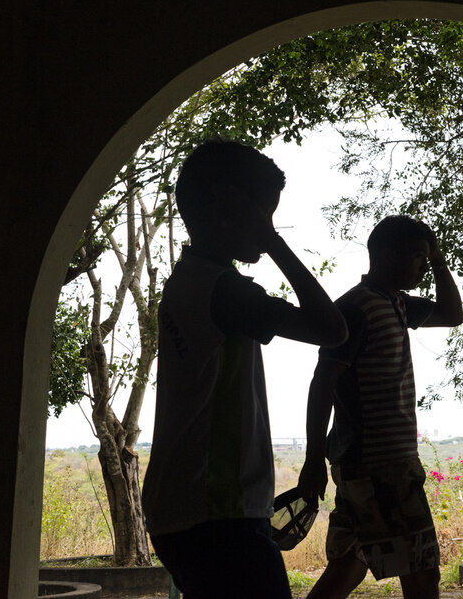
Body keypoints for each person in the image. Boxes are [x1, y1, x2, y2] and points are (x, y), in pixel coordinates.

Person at [142, 140, 348, 599]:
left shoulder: (188, 282)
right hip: (216, 516)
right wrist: (273, 241)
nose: (266, 228)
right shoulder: (224, 292)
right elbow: (331, 328)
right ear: (227, 206)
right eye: (263, 214)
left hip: (194, 511)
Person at [298, 215, 463, 599]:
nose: (424, 265)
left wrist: (437, 258)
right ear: (388, 255)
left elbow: (452, 315)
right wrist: (312, 458)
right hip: (380, 467)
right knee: (422, 572)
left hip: (373, 466)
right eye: (418, 257)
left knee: (349, 564)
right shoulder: (357, 310)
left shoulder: (398, 305)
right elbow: (323, 383)